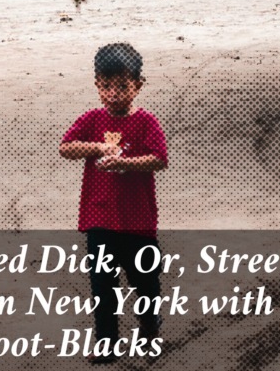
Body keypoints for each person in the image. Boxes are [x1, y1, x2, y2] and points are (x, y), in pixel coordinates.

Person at [60, 43, 168, 363]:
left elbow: (160, 159)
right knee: (102, 286)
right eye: (106, 86)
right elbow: (66, 147)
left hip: (137, 222)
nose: (113, 94)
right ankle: (107, 342)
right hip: (100, 217)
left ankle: (150, 327)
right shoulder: (92, 120)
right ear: (96, 85)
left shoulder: (147, 122)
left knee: (145, 282)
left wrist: (129, 164)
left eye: (122, 86)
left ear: (138, 85)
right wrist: (97, 148)